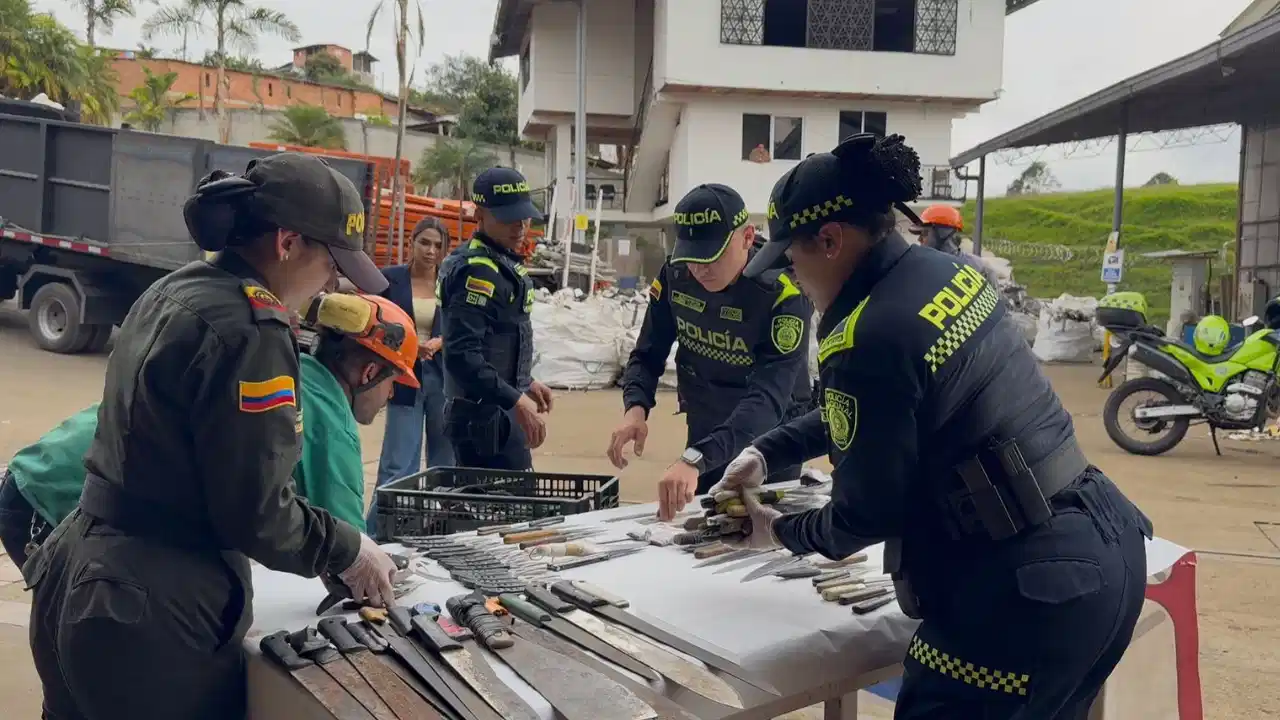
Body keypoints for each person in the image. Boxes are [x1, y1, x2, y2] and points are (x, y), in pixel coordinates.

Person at [717, 133, 1152, 719]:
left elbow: (860, 519)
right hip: (1101, 549)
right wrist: (768, 451)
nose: (792, 278)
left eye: (792, 260)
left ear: (829, 239)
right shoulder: (947, 274)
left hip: (1020, 594)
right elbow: (882, 409)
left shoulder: (866, 333)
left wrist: (776, 529)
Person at [24, 153, 400, 720]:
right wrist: (350, 549)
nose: (334, 278)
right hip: (151, 606)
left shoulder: (176, 288)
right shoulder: (252, 329)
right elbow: (255, 512)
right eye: (330, 259)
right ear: (288, 242)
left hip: (78, 573)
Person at [0, 293, 417, 567]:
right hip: (49, 498)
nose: (391, 398)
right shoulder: (330, 421)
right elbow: (350, 557)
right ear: (368, 371)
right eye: (393, 383)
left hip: (53, 472)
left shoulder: (281, 368)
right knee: (93, 643)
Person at [608, 183, 814, 521]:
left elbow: (768, 399)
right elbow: (648, 352)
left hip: (772, 440)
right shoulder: (677, 274)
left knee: (764, 540)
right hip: (707, 423)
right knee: (706, 530)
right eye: (691, 256)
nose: (700, 269)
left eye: (712, 256)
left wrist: (695, 458)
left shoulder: (782, 291)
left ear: (747, 237)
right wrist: (635, 407)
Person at [439, 166, 554, 470]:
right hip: (483, 420)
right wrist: (516, 401)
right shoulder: (476, 271)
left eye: (524, 216)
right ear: (479, 214)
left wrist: (524, 381)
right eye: (507, 217)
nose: (519, 226)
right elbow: (462, 355)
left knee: (515, 504)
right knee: (503, 510)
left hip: (499, 410)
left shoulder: (499, 261)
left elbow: (496, 339)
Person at [369, 217, 456, 532]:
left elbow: (462, 323)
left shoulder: (450, 283)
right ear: (412, 242)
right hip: (404, 376)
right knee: (398, 461)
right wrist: (407, 344)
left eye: (437, 245)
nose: (431, 251)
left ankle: (441, 530)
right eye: (425, 243)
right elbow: (374, 318)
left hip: (443, 380)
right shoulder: (390, 279)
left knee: (444, 462)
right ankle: (378, 533)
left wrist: (441, 340)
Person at [913, 204, 1002, 288]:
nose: (919, 239)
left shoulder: (981, 269)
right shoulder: (919, 270)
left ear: (943, 233)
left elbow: (997, 301)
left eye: (924, 233)